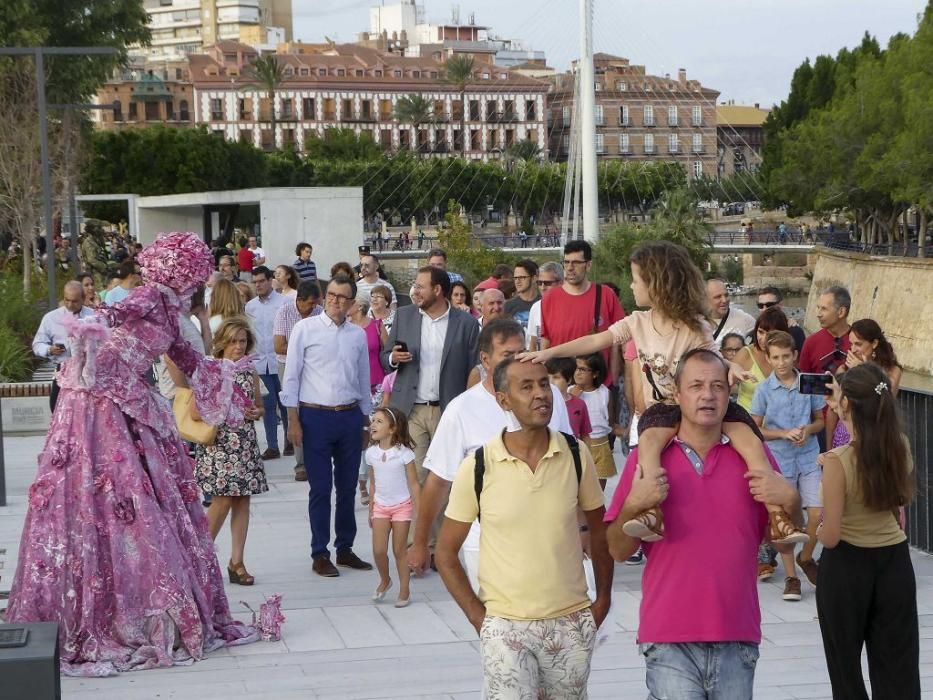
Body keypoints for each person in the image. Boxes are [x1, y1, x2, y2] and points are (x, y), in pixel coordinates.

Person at [6, 232, 263, 675]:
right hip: (98, 397)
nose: (196, 284)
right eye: (195, 276)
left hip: (125, 399)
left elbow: (189, 358)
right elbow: (109, 311)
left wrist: (224, 370)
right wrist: (89, 329)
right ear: (181, 273)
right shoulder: (147, 296)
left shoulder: (170, 310)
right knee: (109, 490)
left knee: (136, 496)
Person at [523, 241, 806, 547]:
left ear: (656, 284)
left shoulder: (694, 325)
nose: (631, 285)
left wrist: (730, 367)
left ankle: (778, 515)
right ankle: (650, 510)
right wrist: (548, 353)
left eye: (636, 279)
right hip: (662, 408)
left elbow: (711, 355)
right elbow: (594, 342)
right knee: (649, 443)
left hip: (696, 404)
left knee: (749, 437)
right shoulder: (637, 322)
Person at [605, 349, 803, 699]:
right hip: (668, 638)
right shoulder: (646, 459)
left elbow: (784, 544)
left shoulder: (753, 456)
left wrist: (791, 499)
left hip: (736, 635)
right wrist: (633, 504)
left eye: (716, 386)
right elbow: (618, 551)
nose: (707, 395)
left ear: (729, 395)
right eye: (696, 385)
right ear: (678, 394)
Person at [436, 357, 612, 699]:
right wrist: (480, 618)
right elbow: (445, 553)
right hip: (505, 626)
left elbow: (600, 532)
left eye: (544, 384)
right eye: (526, 387)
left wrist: (601, 603)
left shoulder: (576, 455)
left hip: (570, 624)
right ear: (504, 400)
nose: (540, 395)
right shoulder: (479, 465)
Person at [408, 320, 571, 579]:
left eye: (521, 352)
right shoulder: (462, 410)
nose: (518, 361)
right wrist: (420, 542)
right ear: (485, 359)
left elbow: (569, 463)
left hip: (549, 536)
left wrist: (583, 531)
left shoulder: (550, 398)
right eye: (507, 355)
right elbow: (438, 482)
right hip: (486, 541)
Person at [816, 364, 919, 699]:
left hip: (847, 566)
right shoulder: (899, 445)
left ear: (847, 405)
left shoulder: (838, 461)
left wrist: (813, 528)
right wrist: (842, 403)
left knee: (844, 667)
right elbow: (900, 499)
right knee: (897, 665)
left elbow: (830, 536)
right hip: (894, 563)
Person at [281, 275, 374, 577]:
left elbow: (363, 379)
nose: (335, 301)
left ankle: (344, 548)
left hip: (348, 417)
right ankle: (320, 552)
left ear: (351, 303)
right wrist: (293, 421)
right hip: (315, 416)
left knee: (347, 488)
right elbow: (292, 377)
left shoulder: (357, 335)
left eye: (342, 297)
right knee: (321, 489)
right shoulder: (304, 329)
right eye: (331, 295)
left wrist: (365, 421)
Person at [382, 266, 479, 495]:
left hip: (448, 411)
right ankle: (421, 532)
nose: (415, 291)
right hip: (412, 409)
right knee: (416, 477)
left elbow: (475, 369)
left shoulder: (466, 324)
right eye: (415, 286)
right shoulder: (404, 316)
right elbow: (384, 358)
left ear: (437, 290)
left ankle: (445, 530)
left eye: (420, 286)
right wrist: (394, 358)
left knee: (449, 478)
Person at [751, 331, 825, 600]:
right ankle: (791, 576)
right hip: (780, 461)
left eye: (786, 356)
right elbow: (756, 428)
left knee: (817, 513)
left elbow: (820, 419)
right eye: (775, 358)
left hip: (807, 456)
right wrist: (783, 433)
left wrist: (809, 430)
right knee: (783, 521)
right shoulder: (764, 390)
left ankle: (806, 558)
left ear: (795, 355)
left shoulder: (809, 383)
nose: (781, 362)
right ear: (769, 360)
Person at [193, 317, 267, 586]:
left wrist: (255, 412)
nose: (238, 347)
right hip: (220, 445)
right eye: (234, 341)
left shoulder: (250, 370)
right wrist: (223, 405)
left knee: (242, 501)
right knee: (221, 501)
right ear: (223, 342)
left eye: (243, 342)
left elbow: (260, 407)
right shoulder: (211, 369)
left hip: (244, 443)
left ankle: (237, 562)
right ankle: (200, 558)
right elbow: (194, 412)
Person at [539, 241, 625, 388]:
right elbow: (546, 341)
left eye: (576, 263)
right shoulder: (550, 298)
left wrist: (613, 381)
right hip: (562, 386)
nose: (570, 268)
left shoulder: (605, 295)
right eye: (566, 262)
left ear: (588, 265)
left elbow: (619, 341)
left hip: (598, 385)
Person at [366, 407, 420, 608]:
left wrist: (418, 511)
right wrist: (371, 508)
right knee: (379, 550)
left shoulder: (404, 454)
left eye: (379, 421)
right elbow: (373, 482)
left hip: (402, 507)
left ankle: (404, 588)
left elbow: (414, 484)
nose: (373, 425)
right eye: (373, 421)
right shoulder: (371, 454)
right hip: (381, 506)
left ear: (392, 429)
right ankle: (385, 579)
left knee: (399, 550)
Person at [273, 280, 323, 481]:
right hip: (288, 366)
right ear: (299, 300)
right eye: (309, 303)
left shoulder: (320, 312)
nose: (312, 307)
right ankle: (301, 464)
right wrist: (303, 349)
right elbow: (278, 345)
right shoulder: (284, 312)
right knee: (295, 412)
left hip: (315, 368)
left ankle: (316, 459)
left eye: (314, 303)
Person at [830, 318, 903, 448]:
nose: (853, 349)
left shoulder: (893, 370)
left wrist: (863, 371)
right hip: (846, 433)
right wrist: (828, 444)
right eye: (851, 344)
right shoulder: (843, 369)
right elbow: (833, 407)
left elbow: (886, 400)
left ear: (874, 343)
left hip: (876, 435)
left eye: (858, 344)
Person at [245, 266, 289, 460]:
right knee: (268, 404)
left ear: (270, 280)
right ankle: (272, 445)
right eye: (255, 282)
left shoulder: (284, 303)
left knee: (286, 403)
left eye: (261, 281)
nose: (258, 285)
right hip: (261, 361)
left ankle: (289, 442)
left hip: (281, 360)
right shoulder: (250, 307)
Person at [799, 286, 851, 448]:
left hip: (853, 420)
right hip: (819, 423)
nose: (818, 313)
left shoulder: (858, 341)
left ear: (841, 312)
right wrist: (832, 385)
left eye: (824, 309)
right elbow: (803, 384)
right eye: (818, 308)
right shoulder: (811, 343)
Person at [350, 297, 390, 505]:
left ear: (359, 307)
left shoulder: (376, 325)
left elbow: (388, 353)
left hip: (377, 386)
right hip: (354, 388)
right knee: (360, 436)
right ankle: (361, 482)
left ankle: (372, 482)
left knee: (375, 435)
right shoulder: (345, 328)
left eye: (351, 303)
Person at [32, 281, 95, 411]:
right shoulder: (51, 318)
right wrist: (49, 349)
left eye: (74, 301)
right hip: (63, 370)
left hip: (89, 372)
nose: (70, 305)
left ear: (83, 298)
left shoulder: (94, 316)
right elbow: (37, 344)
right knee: (56, 410)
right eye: (67, 300)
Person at [571, 353, 616, 486]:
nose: (578, 373)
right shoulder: (569, 393)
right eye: (576, 368)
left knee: (598, 490)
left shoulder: (604, 393)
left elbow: (610, 420)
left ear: (595, 374)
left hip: (601, 445)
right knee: (578, 487)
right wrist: (572, 399)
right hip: (579, 444)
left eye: (583, 369)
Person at [734, 307, 791, 412]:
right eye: (761, 332)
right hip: (747, 420)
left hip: (778, 422)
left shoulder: (788, 356)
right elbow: (726, 386)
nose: (764, 339)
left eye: (770, 334)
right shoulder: (745, 354)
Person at [545, 357, 592, 443]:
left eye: (556, 377)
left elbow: (585, 435)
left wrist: (585, 455)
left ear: (569, 380)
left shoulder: (579, 404)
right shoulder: (542, 404)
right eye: (547, 377)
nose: (550, 382)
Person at [526, 261, 562, 351]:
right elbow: (533, 343)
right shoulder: (535, 307)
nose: (542, 287)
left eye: (547, 283)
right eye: (539, 283)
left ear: (560, 283)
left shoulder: (571, 307)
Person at [757, 286, 805, 350]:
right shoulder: (754, 332)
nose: (764, 309)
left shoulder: (795, 332)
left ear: (781, 305)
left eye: (769, 305)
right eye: (760, 306)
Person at [504, 259, 540, 338]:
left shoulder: (543, 303)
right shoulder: (508, 306)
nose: (517, 281)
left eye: (522, 277)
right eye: (515, 278)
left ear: (534, 278)